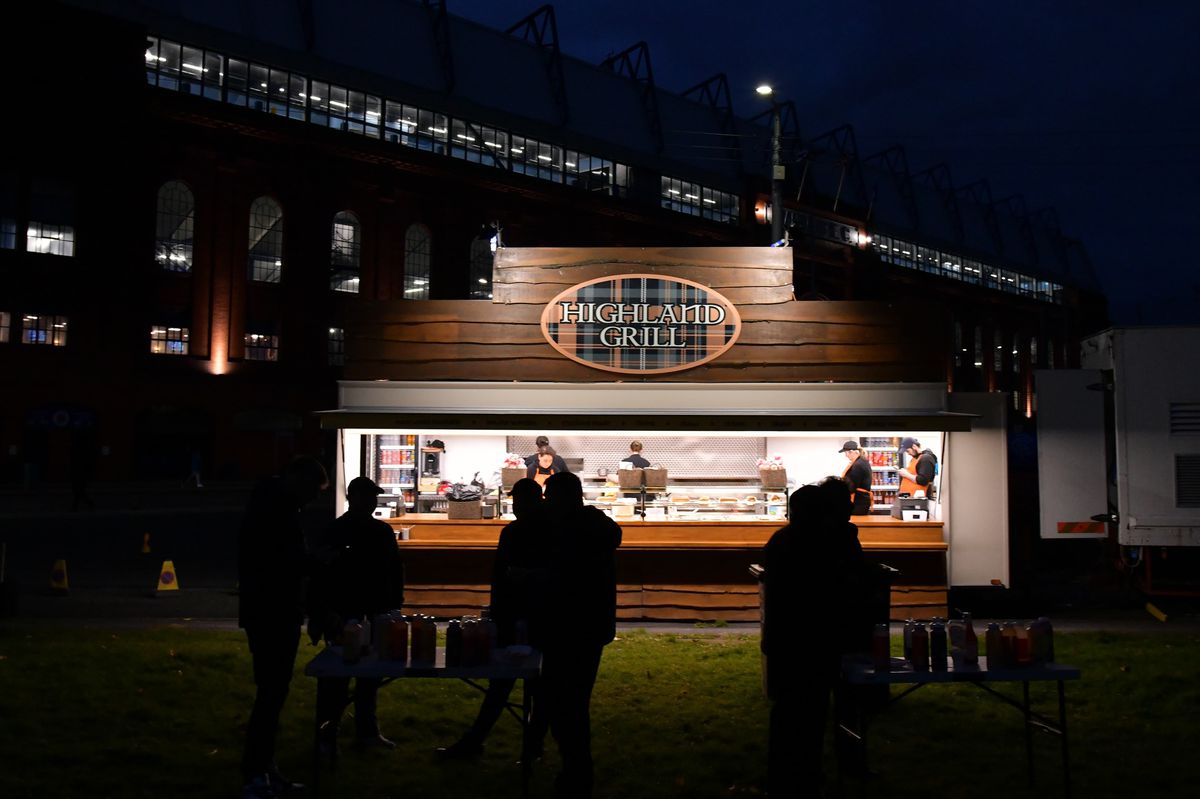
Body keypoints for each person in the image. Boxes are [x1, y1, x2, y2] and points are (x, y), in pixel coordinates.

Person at [762, 479, 865, 799]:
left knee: (789, 713)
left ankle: (786, 776)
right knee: (816, 710)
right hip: (818, 641)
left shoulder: (781, 542)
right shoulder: (826, 543)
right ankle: (813, 773)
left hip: (786, 641)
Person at [438, 478, 551, 759]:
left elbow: (502, 578)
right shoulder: (550, 531)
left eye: (518, 501)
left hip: (516, 617)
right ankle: (532, 746)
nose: (515, 506)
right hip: (541, 617)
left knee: (501, 684)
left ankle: (477, 741)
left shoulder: (515, 532)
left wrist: (496, 612)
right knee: (539, 688)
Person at [237, 455, 329, 799]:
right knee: (271, 694)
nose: (314, 499)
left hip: (269, 611)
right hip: (273, 612)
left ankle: (264, 768)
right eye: (313, 491)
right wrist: (315, 563)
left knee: (272, 693)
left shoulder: (269, 505)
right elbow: (281, 561)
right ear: (296, 481)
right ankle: (257, 772)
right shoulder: (277, 512)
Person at [309, 476, 406, 754]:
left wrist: (395, 604)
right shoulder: (346, 531)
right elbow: (323, 574)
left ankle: (355, 732)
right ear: (354, 498)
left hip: (370, 611)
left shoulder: (349, 529)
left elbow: (394, 570)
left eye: (373, 497)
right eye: (368, 497)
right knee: (341, 679)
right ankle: (334, 735)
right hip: (348, 612)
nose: (373, 502)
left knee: (364, 676)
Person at [540, 471, 622, 799]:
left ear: (562, 499)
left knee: (565, 700)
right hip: (593, 625)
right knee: (574, 699)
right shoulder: (598, 525)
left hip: (568, 626)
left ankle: (575, 770)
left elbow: (560, 574)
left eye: (549, 497)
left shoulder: (565, 531)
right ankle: (575, 766)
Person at [838, 440, 873, 515]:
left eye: (846, 453)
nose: (846, 455)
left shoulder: (858, 465)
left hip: (858, 503)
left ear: (851, 452)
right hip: (861, 501)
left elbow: (851, 486)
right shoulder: (861, 462)